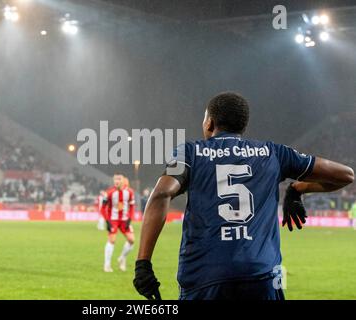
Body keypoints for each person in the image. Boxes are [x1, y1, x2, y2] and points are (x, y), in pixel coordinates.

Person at [133, 92, 354, 300]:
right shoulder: (274, 152)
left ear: (209, 122)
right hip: (262, 275)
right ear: (243, 125)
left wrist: (143, 263)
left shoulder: (188, 152)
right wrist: (298, 189)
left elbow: (162, 192)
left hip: (205, 276)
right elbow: (345, 175)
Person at [101, 174, 135, 272]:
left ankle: (122, 258)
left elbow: (132, 207)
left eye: (119, 179)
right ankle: (107, 265)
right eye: (115, 179)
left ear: (123, 180)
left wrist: (129, 219)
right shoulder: (109, 192)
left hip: (124, 219)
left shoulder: (129, 192)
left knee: (131, 240)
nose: (117, 181)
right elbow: (103, 208)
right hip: (113, 219)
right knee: (112, 240)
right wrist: (107, 221)